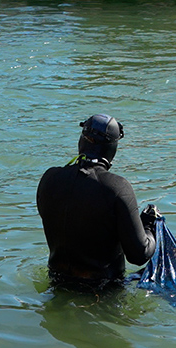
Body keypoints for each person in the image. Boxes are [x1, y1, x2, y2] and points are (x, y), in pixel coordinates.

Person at [36, 114, 158, 289]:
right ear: (112, 147)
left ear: (82, 141)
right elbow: (139, 255)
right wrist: (149, 224)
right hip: (102, 291)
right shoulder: (117, 188)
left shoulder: (49, 178)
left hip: (57, 283)